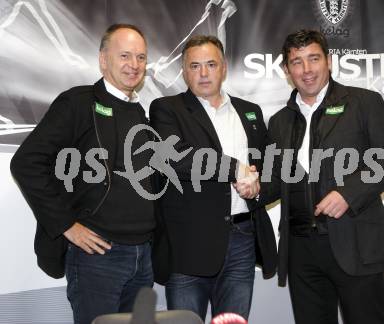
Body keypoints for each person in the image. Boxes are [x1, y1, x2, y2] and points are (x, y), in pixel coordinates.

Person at [242, 30, 384, 324]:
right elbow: (277, 179)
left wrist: (348, 194)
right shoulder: (279, 122)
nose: (306, 70)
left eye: (313, 59)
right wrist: (254, 189)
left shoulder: (363, 103)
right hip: (301, 250)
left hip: (355, 242)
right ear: (286, 70)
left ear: (329, 61)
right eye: (297, 62)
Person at [10, 24, 156, 324]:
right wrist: (65, 224)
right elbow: (26, 162)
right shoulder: (78, 102)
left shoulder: (143, 114)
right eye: (125, 55)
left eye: (141, 57)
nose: (134, 65)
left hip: (143, 257)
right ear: (103, 60)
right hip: (98, 257)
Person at [149, 35, 277, 321]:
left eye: (210, 64)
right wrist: (236, 169)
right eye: (194, 66)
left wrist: (256, 189)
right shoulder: (166, 109)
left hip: (242, 239)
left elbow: (270, 168)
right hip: (188, 246)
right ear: (184, 71)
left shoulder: (250, 112)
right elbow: (175, 157)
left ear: (224, 68)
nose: (203, 73)